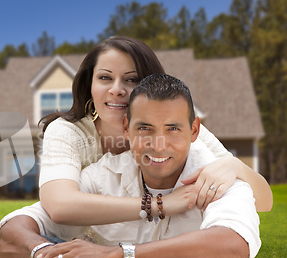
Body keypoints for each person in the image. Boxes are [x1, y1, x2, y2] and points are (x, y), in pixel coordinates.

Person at [0, 74, 260, 258]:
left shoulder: (219, 178)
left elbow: (232, 249)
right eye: (145, 128)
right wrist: (41, 251)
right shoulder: (103, 176)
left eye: (173, 129)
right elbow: (12, 232)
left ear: (194, 130)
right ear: (126, 128)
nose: (158, 144)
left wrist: (118, 257)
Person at [37, 36, 272, 227]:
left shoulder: (178, 129)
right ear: (90, 84)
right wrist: (161, 204)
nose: (116, 90)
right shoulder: (69, 133)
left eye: (130, 80)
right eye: (105, 78)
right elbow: (59, 205)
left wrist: (234, 166)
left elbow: (264, 201)